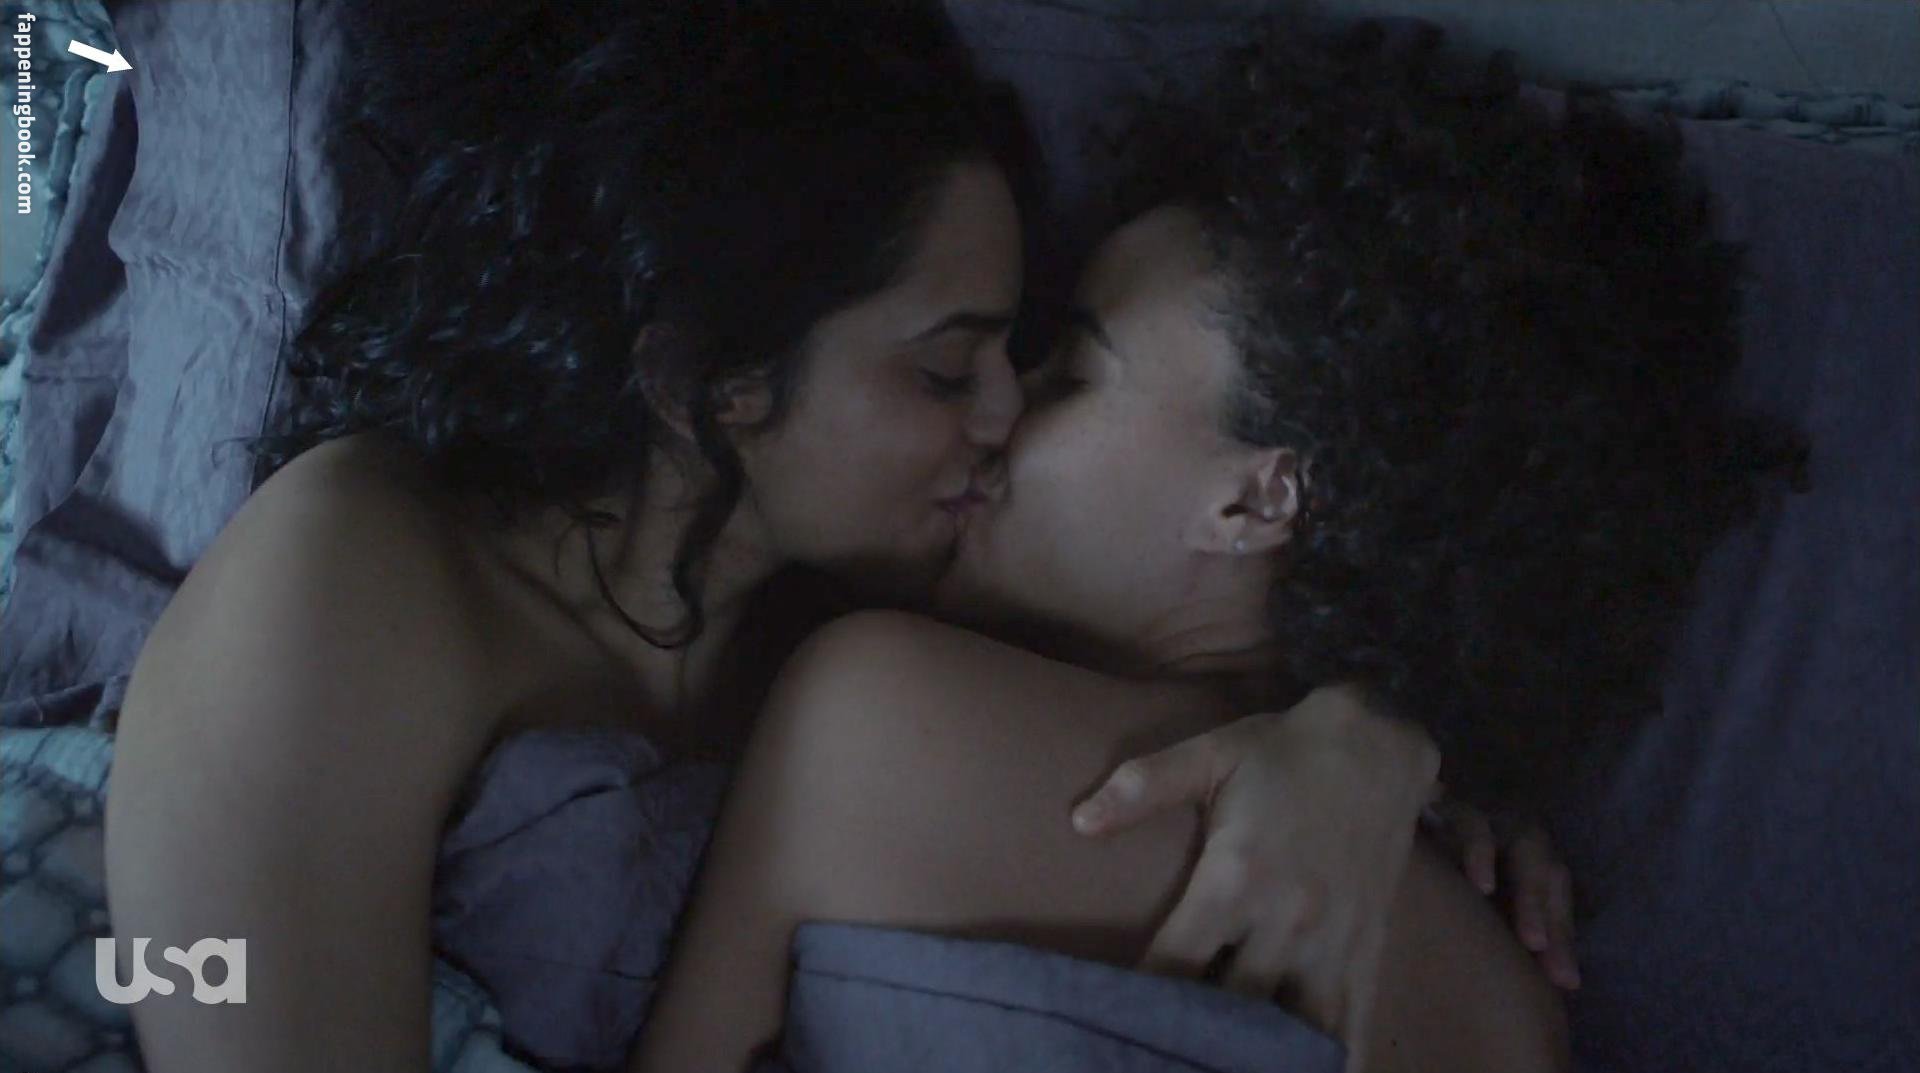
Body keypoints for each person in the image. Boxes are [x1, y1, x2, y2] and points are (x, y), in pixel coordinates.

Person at [100, 6, 1558, 1071]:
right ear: (704, 377)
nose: (1003, 419)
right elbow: (201, 976)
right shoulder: (358, 571)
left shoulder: (857, 625)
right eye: (946, 370)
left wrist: (1371, 733)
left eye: (1033, 361)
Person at [629, 19, 1806, 1073]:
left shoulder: (870, 713)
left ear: (1256, 501)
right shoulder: (1509, 987)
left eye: (1069, 371)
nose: (998, 413)